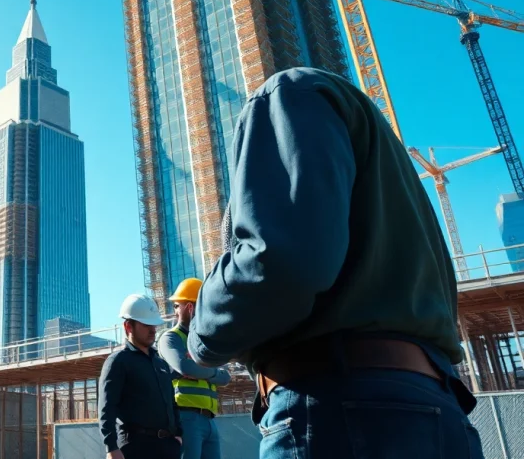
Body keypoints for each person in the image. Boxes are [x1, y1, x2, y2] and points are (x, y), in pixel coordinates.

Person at [186, 67, 485, 458]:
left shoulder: (285, 95)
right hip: (434, 404)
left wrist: (201, 332)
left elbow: (279, 262)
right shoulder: (383, 159)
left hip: (335, 405)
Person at [98, 294, 182, 459]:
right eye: (146, 325)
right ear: (128, 326)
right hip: (136, 447)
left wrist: (178, 434)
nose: (153, 330)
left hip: (168, 447)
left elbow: (171, 402)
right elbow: (107, 408)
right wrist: (111, 447)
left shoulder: (161, 363)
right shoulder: (118, 361)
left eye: (154, 324)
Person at [157, 279, 229, 459]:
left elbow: (226, 377)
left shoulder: (206, 343)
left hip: (210, 420)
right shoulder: (171, 338)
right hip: (186, 418)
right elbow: (185, 367)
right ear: (191, 308)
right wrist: (212, 370)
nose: (175, 310)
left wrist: (201, 370)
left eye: (176, 305)